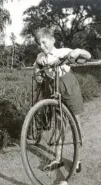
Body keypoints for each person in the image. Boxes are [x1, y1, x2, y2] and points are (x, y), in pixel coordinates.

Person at [33, 27, 91, 172]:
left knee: (75, 124)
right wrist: (37, 74)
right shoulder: (41, 57)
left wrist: (77, 51)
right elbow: (36, 67)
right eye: (39, 44)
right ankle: (58, 159)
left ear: (53, 40)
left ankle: (77, 159)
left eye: (45, 42)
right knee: (58, 124)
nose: (42, 46)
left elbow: (87, 56)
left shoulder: (63, 52)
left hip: (69, 88)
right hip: (54, 91)